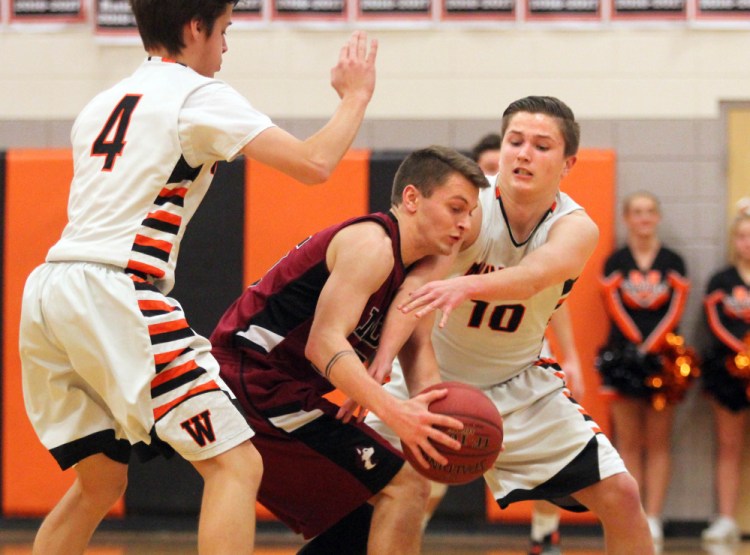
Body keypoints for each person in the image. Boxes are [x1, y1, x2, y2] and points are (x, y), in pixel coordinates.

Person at [18, 0, 378, 553]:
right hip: (116, 293)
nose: (227, 45)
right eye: (226, 29)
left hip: (49, 291)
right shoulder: (195, 94)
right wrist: (356, 96)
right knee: (236, 464)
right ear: (196, 27)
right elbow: (314, 164)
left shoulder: (101, 102)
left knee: (99, 483)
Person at [364, 96, 654, 555]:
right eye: (515, 141)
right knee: (395, 495)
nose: (523, 153)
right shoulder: (472, 207)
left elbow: (537, 275)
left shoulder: (576, 226)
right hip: (427, 378)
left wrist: (467, 288)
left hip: (519, 384)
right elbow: (415, 290)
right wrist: (381, 362)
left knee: (622, 496)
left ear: (568, 163)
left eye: (541, 145)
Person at [210, 146, 490, 554]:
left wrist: (436, 420)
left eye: (470, 214)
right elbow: (324, 345)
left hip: (281, 389)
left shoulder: (413, 268)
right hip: (249, 382)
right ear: (411, 199)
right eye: (456, 209)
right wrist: (395, 412)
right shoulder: (372, 245)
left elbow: (416, 347)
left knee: (378, 504)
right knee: (405, 488)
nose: (465, 224)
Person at [419, 131, 586, 555]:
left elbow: (555, 301)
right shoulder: (468, 221)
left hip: (517, 356)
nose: (512, 169)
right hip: (456, 353)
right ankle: (409, 532)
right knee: (435, 463)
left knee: (550, 459)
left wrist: (573, 359)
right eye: (495, 165)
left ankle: (544, 540)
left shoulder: (549, 226)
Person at [597, 191, 690, 544]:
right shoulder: (615, 260)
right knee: (628, 443)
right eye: (636, 212)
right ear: (626, 219)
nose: (644, 218)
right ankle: (632, 515)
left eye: (650, 211)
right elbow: (613, 304)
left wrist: (651, 346)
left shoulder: (674, 260)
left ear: (658, 217)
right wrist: (635, 344)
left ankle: (655, 516)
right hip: (621, 358)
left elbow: (676, 307)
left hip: (664, 360)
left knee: (659, 442)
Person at [700, 199, 750, 544]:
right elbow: (715, 321)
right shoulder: (721, 279)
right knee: (729, 446)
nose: (748, 243)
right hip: (730, 372)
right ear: (734, 240)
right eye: (743, 236)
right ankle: (727, 517)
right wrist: (742, 351)